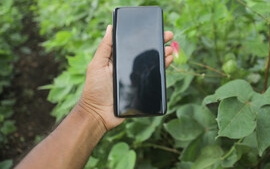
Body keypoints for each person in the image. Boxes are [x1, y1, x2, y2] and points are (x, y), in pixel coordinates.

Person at [15, 25, 174, 169]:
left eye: (151, 70)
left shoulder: (137, 93)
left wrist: (92, 112)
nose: (146, 76)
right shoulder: (127, 96)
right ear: (133, 77)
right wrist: (92, 110)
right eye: (142, 72)